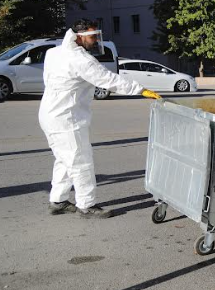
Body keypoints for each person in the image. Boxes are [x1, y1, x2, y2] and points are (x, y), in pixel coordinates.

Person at [38, 19, 161, 219]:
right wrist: (140, 89)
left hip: (50, 113)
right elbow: (108, 80)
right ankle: (87, 206)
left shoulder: (53, 52)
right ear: (79, 36)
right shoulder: (79, 59)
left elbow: (48, 80)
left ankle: (58, 200)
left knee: (64, 159)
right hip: (66, 118)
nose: (96, 40)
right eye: (92, 36)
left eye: (96, 35)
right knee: (80, 162)